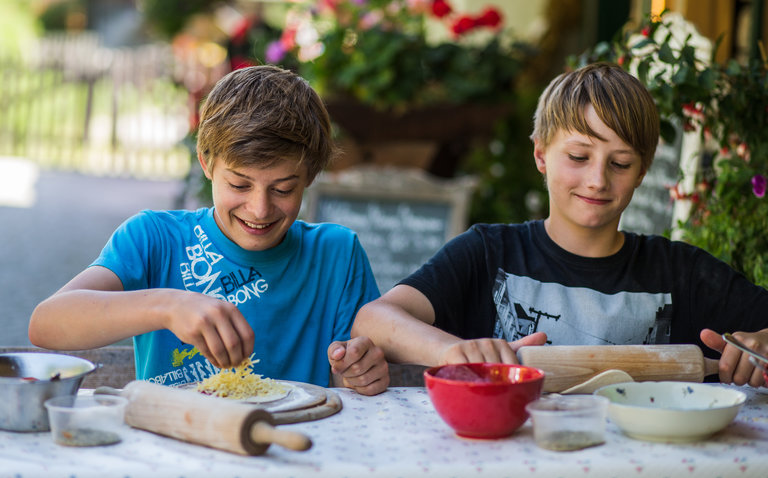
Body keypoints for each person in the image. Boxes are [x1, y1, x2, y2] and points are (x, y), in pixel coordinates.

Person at [351, 62, 768, 388]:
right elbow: (374, 319)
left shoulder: (682, 272)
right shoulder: (488, 252)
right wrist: (455, 351)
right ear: (540, 155)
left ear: (642, 172)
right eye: (578, 157)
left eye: (620, 163)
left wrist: (761, 346)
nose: (598, 180)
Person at [29, 65, 389, 395]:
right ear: (206, 163)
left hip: (294, 445)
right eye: (239, 185)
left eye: (282, 189)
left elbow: (350, 376)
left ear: (309, 176)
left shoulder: (337, 254)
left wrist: (360, 371)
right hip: (175, 446)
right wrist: (167, 305)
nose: (259, 209)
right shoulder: (153, 238)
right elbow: (47, 324)